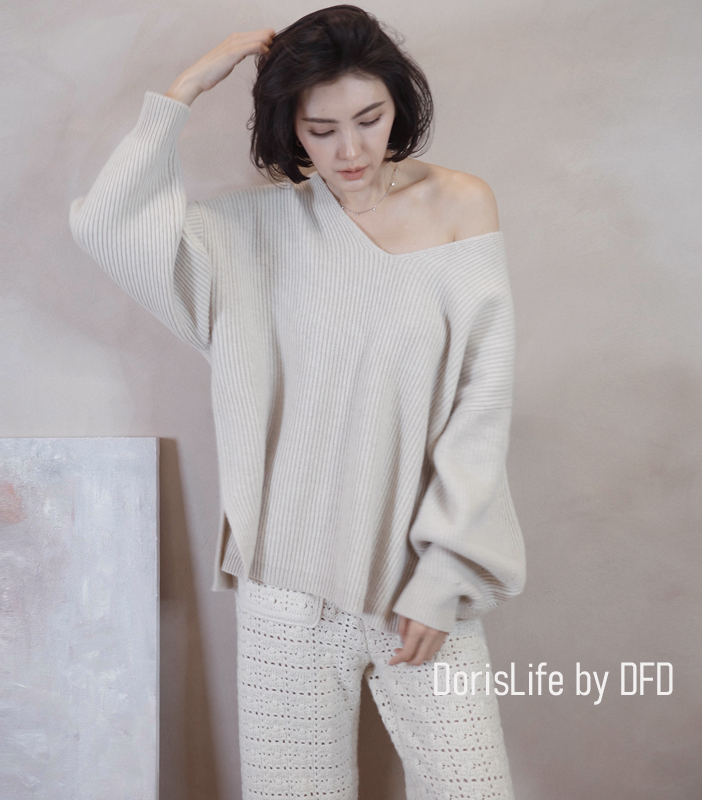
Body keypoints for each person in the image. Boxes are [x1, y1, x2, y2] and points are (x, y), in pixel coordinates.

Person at [69, 5, 526, 798]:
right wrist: (184, 90)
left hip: (419, 575)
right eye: (321, 129)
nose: (350, 150)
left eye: (369, 119)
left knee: (472, 786)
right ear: (291, 129)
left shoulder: (461, 205)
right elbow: (108, 227)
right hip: (285, 586)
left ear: (399, 105)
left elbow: (480, 400)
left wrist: (443, 573)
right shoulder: (247, 234)